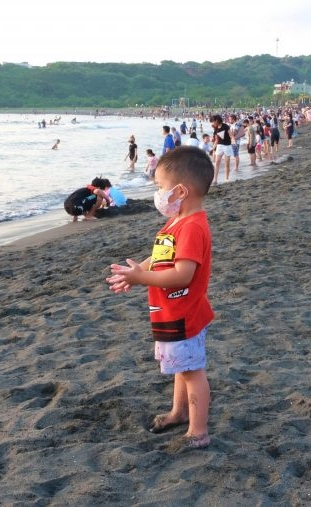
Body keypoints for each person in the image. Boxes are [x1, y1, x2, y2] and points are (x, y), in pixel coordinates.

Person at [106, 146, 216, 450]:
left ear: (180, 190)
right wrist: (137, 271)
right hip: (168, 311)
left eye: (160, 188)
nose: (158, 194)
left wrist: (141, 278)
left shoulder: (193, 226)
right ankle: (179, 412)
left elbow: (183, 274)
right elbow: (160, 257)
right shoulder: (177, 220)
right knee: (182, 367)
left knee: (193, 372)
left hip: (184, 313)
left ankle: (199, 430)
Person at [209, 114, 231, 185]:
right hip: (219, 146)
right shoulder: (215, 129)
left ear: (217, 120)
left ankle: (227, 179)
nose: (212, 123)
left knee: (227, 164)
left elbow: (231, 136)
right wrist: (212, 148)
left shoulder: (226, 126)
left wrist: (233, 142)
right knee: (217, 163)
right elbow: (216, 140)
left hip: (227, 146)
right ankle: (215, 180)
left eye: (213, 121)